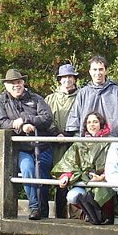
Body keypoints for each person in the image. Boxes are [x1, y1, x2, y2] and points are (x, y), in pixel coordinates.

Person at [0, 69, 56, 220]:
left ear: (23, 83)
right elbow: (1, 122)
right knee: (28, 170)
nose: (16, 86)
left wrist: (27, 119)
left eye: (18, 82)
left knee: (42, 177)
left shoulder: (36, 98)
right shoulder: (1, 101)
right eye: (12, 83)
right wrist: (20, 127)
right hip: (22, 147)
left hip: (42, 145)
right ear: (6, 85)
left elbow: (47, 118)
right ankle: (34, 207)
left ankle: (43, 211)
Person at [54, 111, 114, 225]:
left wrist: (103, 177)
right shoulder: (79, 144)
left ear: (101, 124)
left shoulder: (111, 142)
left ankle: (104, 216)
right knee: (72, 196)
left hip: (104, 182)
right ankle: (90, 214)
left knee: (102, 193)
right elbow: (69, 162)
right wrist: (66, 176)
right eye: (89, 122)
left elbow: (116, 165)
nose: (92, 125)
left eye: (95, 122)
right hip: (84, 182)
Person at [65, 55, 118, 137]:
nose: (98, 73)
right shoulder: (83, 93)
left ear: (105, 71)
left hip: (113, 140)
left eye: (101, 69)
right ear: (90, 71)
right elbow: (75, 117)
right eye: (94, 69)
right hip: (88, 141)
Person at [45, 63, 79, 218]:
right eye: (64, 77)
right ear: (59, 79)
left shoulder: (81, 96)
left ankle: (76, 216)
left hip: (75, 144)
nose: (67, 80)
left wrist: (70, 134)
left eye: (70, 76)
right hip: (54, 145)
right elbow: (45, 119)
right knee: (57, 180)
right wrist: (56, 133)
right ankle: (57, 215)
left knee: (74, 179)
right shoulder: (50, 99)